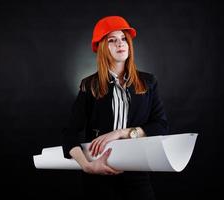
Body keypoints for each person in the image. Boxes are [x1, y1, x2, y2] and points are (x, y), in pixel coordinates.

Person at [61, 16, 169, 200]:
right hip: (98, 180)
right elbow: (69, 134)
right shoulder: (89, 86)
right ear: (103, 48)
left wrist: (121, 133)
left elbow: (161, 126)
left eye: (123, 39)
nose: (121, 44)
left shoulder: (148, 82)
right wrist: (88, 166)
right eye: (112, 40)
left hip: (138, 176)